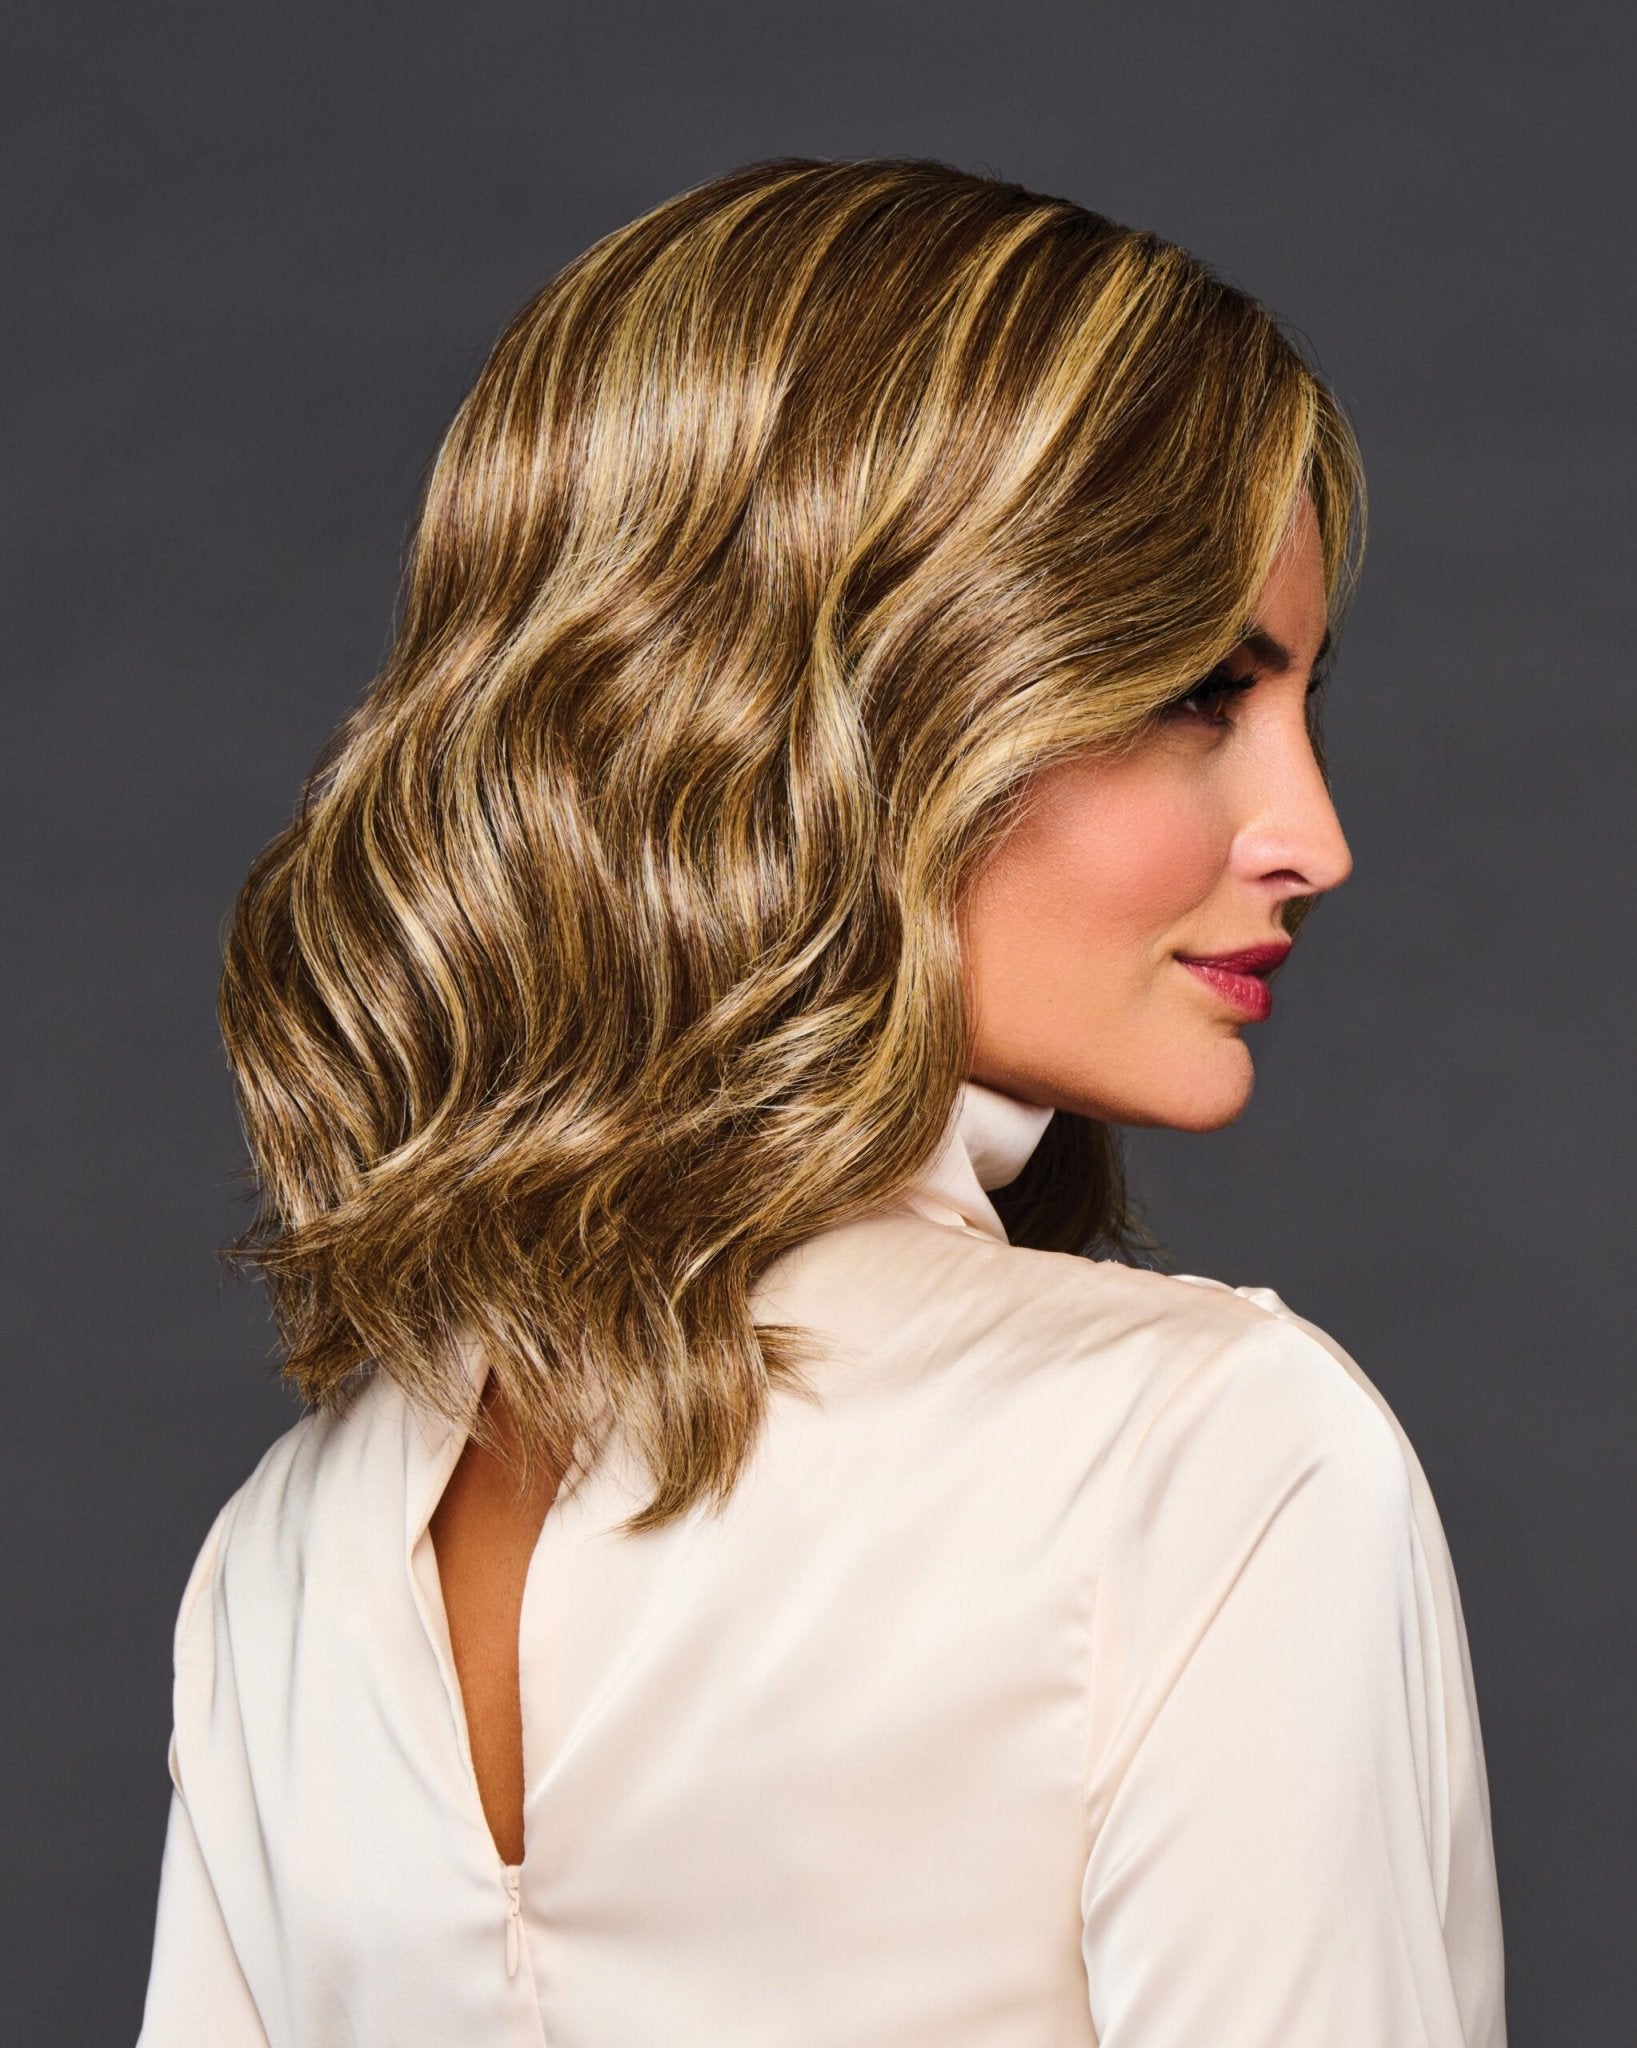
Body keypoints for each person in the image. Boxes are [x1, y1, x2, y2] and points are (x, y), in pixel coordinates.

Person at [135, 157, 1506, 2045]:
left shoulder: (285, 1560)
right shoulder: (1210, 1463)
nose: (1313, 839)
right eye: (1200, 690)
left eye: (1298, 703)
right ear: (857, 702)